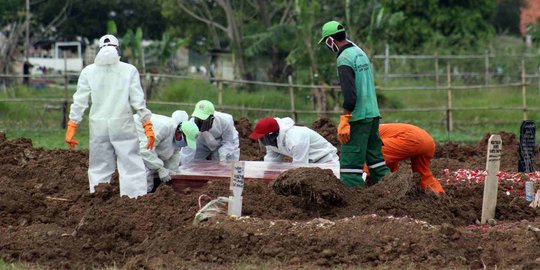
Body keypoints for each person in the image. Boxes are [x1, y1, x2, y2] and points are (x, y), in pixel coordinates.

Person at [65, 34, 155, 198]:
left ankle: (98, 198)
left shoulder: (88, 71)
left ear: (99, 50)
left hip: (98, 126)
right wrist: (147, 125)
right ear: (118, 49)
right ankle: (133, 199)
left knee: (99, 165)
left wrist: (72, 125)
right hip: (123, 124)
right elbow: (138, 101)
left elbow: (80, 101)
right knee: (130, 164)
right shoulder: (129, 70)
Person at [319, 21, 390, 187]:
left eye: (326, 43)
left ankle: (353, 206)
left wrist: (345, 119)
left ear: (330, 41)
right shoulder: (359, 52)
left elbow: (350, 96)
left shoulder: (344, 58)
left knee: (350, 166)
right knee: (376, 162)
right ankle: (392, 190)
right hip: (372, 115)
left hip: (358, 118)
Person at [365, 123, 446, 195]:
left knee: (370, 154)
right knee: (423, 174)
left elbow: (365, 159)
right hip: (427, 140)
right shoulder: (373, 129)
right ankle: (440, 196)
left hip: (410, 138)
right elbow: (391, 157)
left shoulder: (355, 132)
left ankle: (359, 191)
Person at [134, 110, 199, 192]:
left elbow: (174, 155)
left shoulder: (176, 137)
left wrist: (172, 172)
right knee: (145, 169)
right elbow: (144, 150)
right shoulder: (163, 128)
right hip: (129, 133)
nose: (185, 145)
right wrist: (159, 168)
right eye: (186, 141)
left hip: (144, 142)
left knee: (155, 162)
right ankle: (140, 196)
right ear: (179, 133)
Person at [249, 117, 338, 164]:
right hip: (309, 163)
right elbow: (271, 161)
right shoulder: (272, 142)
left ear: (271, 135)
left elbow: (300, 167)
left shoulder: (296, 140)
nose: (260, 140)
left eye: (262, 137)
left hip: (325, 161)